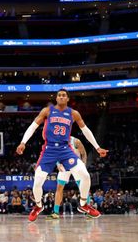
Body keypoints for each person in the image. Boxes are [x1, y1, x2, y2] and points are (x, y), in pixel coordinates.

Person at [16, 89, 108, 222]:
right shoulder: (47, 111)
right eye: (59, 95)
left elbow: (86, 130)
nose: (61, 97)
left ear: (68, 99)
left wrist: (97, 147)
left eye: (64, 95)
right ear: (56, 98)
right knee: (37, 182)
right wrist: (23, 142)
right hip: (49, 149)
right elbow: (33, 126)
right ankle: (38, 206)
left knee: (85, 175)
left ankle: (83, 204)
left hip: (66, 149)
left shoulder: (73, 113)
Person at [50, 136, 87, 218]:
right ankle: (56, 212)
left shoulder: (76, 141)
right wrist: (58, 164)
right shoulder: (57, 142)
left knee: (83, 188)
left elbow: (83, 153)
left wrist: (83, 165)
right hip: (64, 166)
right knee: (59, 188)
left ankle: (88, 211)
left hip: (76, 166)